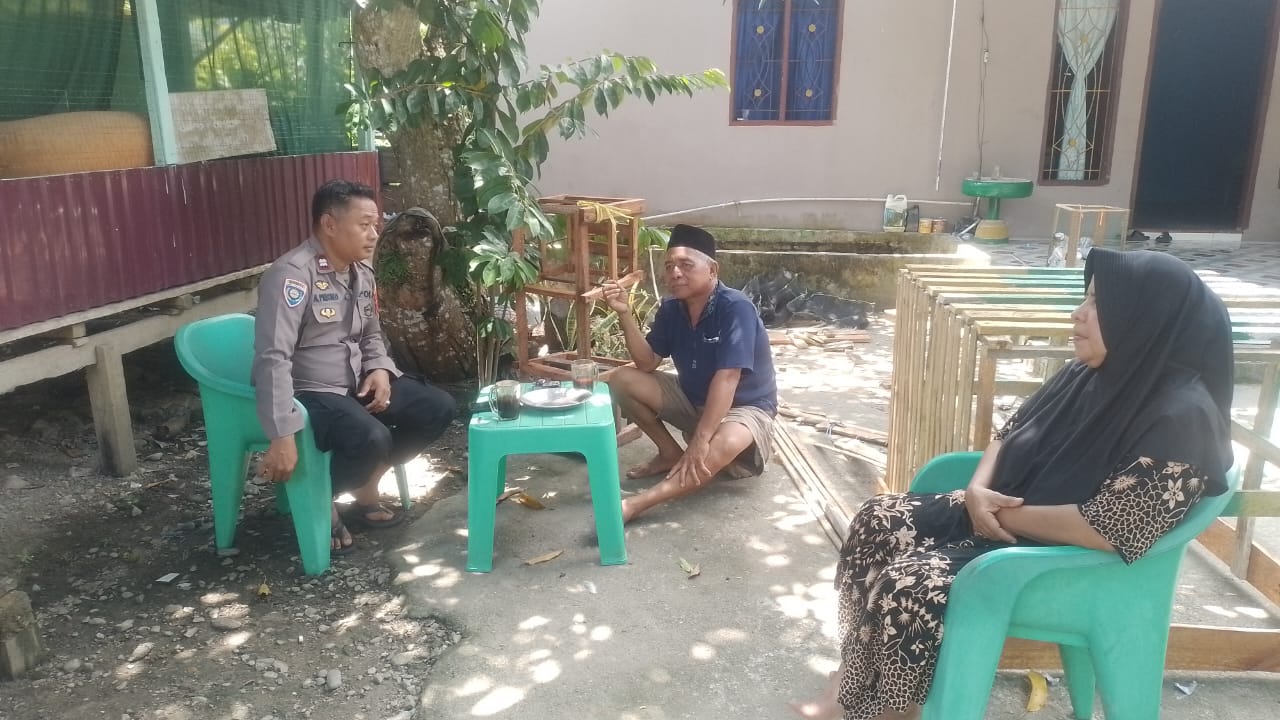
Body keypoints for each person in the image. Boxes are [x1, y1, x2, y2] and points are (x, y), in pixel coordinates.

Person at [793, 248, 1234, 720]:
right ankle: (855, 676)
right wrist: (977, 492)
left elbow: (1108, 530)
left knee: (912, 582)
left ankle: (893, 708)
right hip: (1013, 516)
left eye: (1098, 303)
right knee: (877, 520)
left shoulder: (1181, 418)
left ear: (1145, 318)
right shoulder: (1088, 373)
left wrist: (999, 513)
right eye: (1084, 299)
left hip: (1070, 562)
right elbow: (1009, 434)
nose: (1078, 314)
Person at [252, 180, 456, 555]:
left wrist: (379, 368)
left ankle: (365, 485)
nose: (374, 234)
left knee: (437, 408)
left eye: (375, 225)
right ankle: (319, 497)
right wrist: (281, 434)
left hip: (356, 383)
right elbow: (272, 358)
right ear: (329, 224)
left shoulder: (360, 272)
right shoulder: (292, 276)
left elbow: (371, 333)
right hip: (312, 391)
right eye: (364, 225)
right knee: (371, 439)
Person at [601, 224, 778, 523]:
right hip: (694, 400)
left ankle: (635, 505)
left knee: (725, 442)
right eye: (669, 266)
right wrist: (624, 313)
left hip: (744, 409)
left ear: (712, 270)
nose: (675, 273)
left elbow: (728, 378)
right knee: (621, 379)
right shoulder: (671, 307)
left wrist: (700, 440)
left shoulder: (736, 308)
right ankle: (669, 453)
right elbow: (647, 363)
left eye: (685, 265)